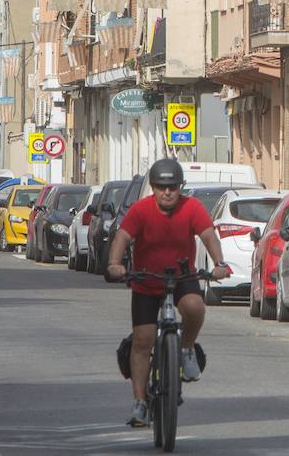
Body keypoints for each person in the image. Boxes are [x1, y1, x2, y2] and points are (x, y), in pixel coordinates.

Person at [106, 158, 231, 427]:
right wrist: (115, 265)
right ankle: (140, 403)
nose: (167, 192)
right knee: (143, 340)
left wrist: (219, 264)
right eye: (162, 187)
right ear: (153, 187)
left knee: (196, 307)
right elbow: (123, 237)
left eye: (173, 187)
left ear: (180, 187)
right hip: (146, 281)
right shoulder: (140, 210)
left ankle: (185, 349)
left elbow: (209, 235)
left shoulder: (192, 207)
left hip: (181, 276)